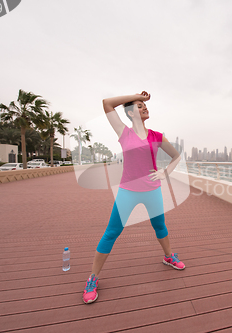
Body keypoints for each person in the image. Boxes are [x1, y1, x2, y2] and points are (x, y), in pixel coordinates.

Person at [83, 91, 185, 304]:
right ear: (129, 113)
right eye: (139, 106)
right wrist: (137, 95)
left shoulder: (157, 136)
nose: (144, 107)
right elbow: (107, 103)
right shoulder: (124, 132)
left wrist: (165, 173)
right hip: (128, 192)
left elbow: (176, 156)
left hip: (153, 190)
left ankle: (168, 256)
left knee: (160, 226)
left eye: (144, 105)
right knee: (112, 232)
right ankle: (92, 278)